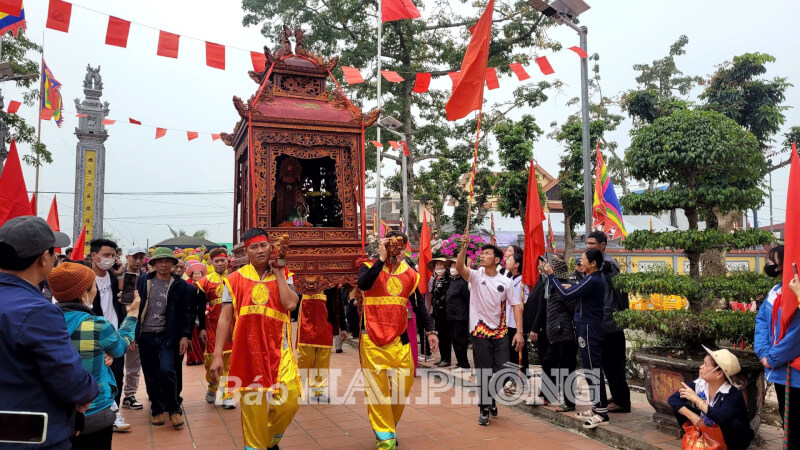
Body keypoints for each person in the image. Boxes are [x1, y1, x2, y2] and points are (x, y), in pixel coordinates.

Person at [0, 216, 99, 449]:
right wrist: (87, 392)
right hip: (26, 435)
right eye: (53, 252)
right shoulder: (36, 310)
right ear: (45, 258)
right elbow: (71, 380)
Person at [210, 228, 301, 450]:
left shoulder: (285, 274)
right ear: (246, 252)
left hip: (280, 350)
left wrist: (278, 271)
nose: (260, 251)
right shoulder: (234, 280)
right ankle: (256, 445)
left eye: (263, 245)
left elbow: (290, 304)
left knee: (290, 401)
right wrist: (217, 355)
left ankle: (269, 440)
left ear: (271, 247)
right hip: (248, 354)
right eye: (254, 247)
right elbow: (225, 318)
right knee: (254, 409)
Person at [357, 230, 439, 448]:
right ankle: (385, 440)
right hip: (372, 338)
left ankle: (388, 426)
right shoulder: (368, 267)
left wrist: (431, 330)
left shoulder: (410, 274)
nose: (397, 251)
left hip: (400, 339)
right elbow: (364, 284)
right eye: (392, 246)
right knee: (377, 391)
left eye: (400, 247)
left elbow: (419, 304)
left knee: (403, 385)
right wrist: (381, 259)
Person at [49, 262, 140, 450]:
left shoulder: (42, 321)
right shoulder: (97, 325)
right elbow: (120, 347)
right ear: (84, 292)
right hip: (95, 409)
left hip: (54, 410)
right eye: (94, 285)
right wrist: (132, 314)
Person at [455, 236, 524, 426]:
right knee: (484, 371)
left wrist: (519, 331)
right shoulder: (477, 276)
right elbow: (460, 268)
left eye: (487, 254)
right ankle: (484, 408)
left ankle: (490, 397)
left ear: (497, 259)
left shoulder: (506, 282)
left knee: (502, 371)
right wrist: (463, 248)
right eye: (482, 253)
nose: (482, 256)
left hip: (501, 332)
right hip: (479, 332)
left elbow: (516, 306)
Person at [543, 248, 609, 428]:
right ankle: (596, 407)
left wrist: (551, 276)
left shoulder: (594, 280)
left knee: (593, 369)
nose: (580, 262)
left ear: (593, 263)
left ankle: (601, 411)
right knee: (589, 368)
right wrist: (568, 286)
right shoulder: (589, 279)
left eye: (583, 259)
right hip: (584, 326)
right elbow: (572, 290)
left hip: (589, 327)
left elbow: (566, 295)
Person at [135, 247, 200, 428]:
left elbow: (189, 313)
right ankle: (156, 409)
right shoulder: (142, 282)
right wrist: (133, 334)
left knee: (167, 371)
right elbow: (134, 308)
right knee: (151, 374)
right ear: (153, 264)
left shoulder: (184, 287)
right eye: (159, 261)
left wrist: (185, 336)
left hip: (168, 336)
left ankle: (174, 410)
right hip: (146, 335)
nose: (163, 264)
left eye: (167, 261)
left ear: (173, 263)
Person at [755, 245, 800, 448]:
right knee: (788, 424)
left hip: (796, 373)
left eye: (774, 260)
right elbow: (762, 322)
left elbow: (796, 334)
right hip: (780, 372)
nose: (770, 264)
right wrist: (763, 353)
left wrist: (772, 358)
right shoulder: (775, 292)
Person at [668, 346, 754, 450]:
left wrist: (697, 400)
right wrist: (693, 417)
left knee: (734, 424)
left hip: (729, 436)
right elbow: (672, 399)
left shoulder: (733, 393)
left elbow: (720, 417)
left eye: (706, 364)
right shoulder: (700, 384)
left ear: (719, 374)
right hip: (708, 427)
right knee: (679, 408)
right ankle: (700, 439)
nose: (701, 367)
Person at [88, 238, 131, 432]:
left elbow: (120, 301)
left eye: (113, 256)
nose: (110, 259)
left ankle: (115, 412)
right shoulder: (86, 279)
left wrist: (120, 275)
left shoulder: (113, 277)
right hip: (95, 336)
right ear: (94, 256)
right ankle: (99, 413)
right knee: (98, 377)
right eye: (106, 255)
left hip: (114, 335)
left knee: (117, 376)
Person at [586, 231, 631, 413]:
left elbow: (620, 291)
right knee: (606, 362)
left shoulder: (609, 265)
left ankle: (622, 401)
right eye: (587, 244)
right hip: (600, 321)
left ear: (603, 245)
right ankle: (617, 396)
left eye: (592, 244)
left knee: (614, 364)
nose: (588, 247)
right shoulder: (595, 264)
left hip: (611, 322)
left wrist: (622, 315)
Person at [537, 255, 578, 411]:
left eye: (547, 265)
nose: (543, 267)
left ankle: (569, 402)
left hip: (565, 333)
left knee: (566, 368)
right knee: (548, 363)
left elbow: (573, 308)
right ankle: (547, 396)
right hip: (555, 334)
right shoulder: (551, 285)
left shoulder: (564, 286)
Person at [196, 248, 235, 408]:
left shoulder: (235, 279)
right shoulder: (204, 281)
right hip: (212, 327)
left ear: (227, 261)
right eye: (217, 261)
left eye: (222, 260)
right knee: (211, 361)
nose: (220, 263)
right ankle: (212, 387)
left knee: (230, 362)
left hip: (232, 327)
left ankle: (228, 395)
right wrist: (201, 328)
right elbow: (198, 307)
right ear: (211, 262)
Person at [296, 286, 348, 402]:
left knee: (322, 359)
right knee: (305, 357)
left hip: (326, 324)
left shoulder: (332, 282)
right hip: (307, 321)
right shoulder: (304, 277)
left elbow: (338, 304)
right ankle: (298, 388)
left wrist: (343, 327)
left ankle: (318, 392)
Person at [121, 246, 147, 412]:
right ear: (127, 257)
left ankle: (129, 395)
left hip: (138, 327)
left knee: (133, 365)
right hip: (117, 326)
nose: (137, 261)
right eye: (134, 257)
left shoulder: (146, 278)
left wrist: (134, 333)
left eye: (141, 258)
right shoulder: (116, 277)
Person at [503, 252, 530, 394]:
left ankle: (520, 380)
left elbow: (524, 301)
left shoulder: (522, 281)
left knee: (519, 352)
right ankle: (512, 378)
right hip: (508, 320)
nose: (506, 261)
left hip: (517, 321)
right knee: (511, 352)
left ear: (517, 264)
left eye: (510, 259)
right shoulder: (509, 278)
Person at [445, 258, 470, 371]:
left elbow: (468, 299)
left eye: (455, 266)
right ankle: (460, 362)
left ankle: (464, 364)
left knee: (461, 340)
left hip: (461, 317)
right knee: (455, 340)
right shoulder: (453, 281)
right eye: (451, 266)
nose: (452, 269)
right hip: (451, 316)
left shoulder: (463, 282)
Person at [429, 258, 453, 367]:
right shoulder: (435, 279)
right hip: (437, 311)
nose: (439, 267)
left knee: (446, 336)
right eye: (437, 265)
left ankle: (447, 359)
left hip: (445, 311)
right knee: (440, 335)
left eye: (441, 265)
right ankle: (442, 357)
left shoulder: (448, 279)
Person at [185, 261, 207, 367]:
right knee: (192, 337)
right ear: (192, 275)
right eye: (196, 273)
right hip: (190, 314)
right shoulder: (187, 284)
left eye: (199, 273)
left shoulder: (205, 284)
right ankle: (192, 358)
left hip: (203, 314)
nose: (197, 275)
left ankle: (201, 356)